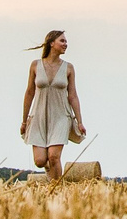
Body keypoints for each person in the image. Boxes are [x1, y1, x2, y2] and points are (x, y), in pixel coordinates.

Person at [20, 30, 85, 180]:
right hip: (39, 116)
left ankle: (57, 191)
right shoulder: (35, 65)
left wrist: (79, 121)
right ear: (51, 43)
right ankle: (49, 169)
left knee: (54, 156)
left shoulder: (68, 68)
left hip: (61, 116)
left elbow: (73, 95)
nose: (65, 44)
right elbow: (29, 93)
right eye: (62, 41)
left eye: (66, 41)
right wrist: (24, 121)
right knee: (40, 160)